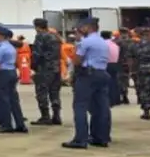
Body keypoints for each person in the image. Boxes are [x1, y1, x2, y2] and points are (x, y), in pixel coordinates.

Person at [62, 18, 111, 149]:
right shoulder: (103, 42)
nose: (79, 30)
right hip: (102, 73)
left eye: (81, 27)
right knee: (101, 107)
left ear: (87, 27)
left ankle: (80, 139)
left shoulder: (86, 42)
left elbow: (77, 61)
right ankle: (100, 137)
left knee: (80, 106)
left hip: (88, 74)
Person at [0, 27, 28, 134]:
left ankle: (6, 124)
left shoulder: (0, 48)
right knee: (13, 100)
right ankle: (20, 124)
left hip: (2, 73)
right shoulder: (11, 47)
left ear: (2, 36)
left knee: (3, 100)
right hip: (11, 72)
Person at [29, 18, 63, 125]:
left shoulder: (40, 36)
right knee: (54, 92)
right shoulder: (55, 37)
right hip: (56, 68)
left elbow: (37, 53)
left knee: (42, 92)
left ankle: (45, 116)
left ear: (37, 27)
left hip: (44, 68)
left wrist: (33, 66)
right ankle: (56, 116)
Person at [100, 30, 120, 107]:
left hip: (105, 64)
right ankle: (115, 100)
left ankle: (108, 101)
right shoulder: (115, 44)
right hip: (115, 64)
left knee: (106, 83)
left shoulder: (102, 44)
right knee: (114, 82)